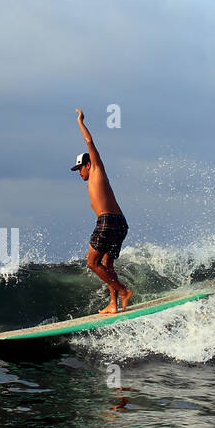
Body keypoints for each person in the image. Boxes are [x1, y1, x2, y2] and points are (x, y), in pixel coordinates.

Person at [72, 108, 131, 313]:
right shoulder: (95, 181)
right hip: (120, 222)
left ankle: (123, 291)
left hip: (107, 221)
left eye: (80, 168)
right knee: (107, 264)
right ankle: (113, 304)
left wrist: (80, 121)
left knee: (92, 263)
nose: (79, 172)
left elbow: (89, 141)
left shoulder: (96, 168)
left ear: (88, 164)